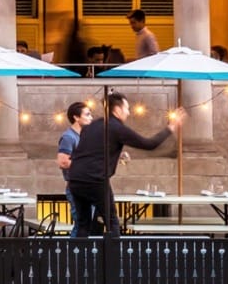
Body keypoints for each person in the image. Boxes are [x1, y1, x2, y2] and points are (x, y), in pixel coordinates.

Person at [67, 92, 180, 237]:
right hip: (95, 179)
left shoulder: (91, 126)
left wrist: (115, 154)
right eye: (127, 108)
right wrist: (170, 128)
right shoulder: (116, 127)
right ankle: (113, 258)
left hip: (75, 179)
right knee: (112, 221)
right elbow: (149, 144)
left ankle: (78, 257)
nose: (128, 112)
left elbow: (92, 150)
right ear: (117, 110)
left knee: (83, 224)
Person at [57, 100, 92, 225]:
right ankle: (75, 245)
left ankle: (82, 245)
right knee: (82, 224)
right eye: (87, 114)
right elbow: (63, 162)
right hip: (76, 187)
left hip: (89, 186)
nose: (91, 118)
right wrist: (87, 162)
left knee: (86, 225)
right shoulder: (68, 137)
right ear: (76, 117)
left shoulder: (86, 135)